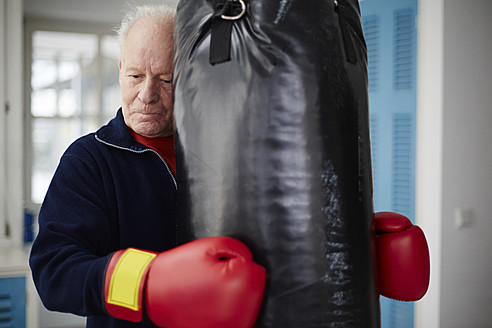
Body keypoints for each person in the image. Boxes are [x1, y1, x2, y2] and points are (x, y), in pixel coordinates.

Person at [29, 5, 266, 328]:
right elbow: (54, 271)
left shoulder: (224, 154)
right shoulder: (88, 160)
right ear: (120, 71)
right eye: (136, 76)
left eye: (166, 79)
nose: (147, 94)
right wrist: (146, 281)